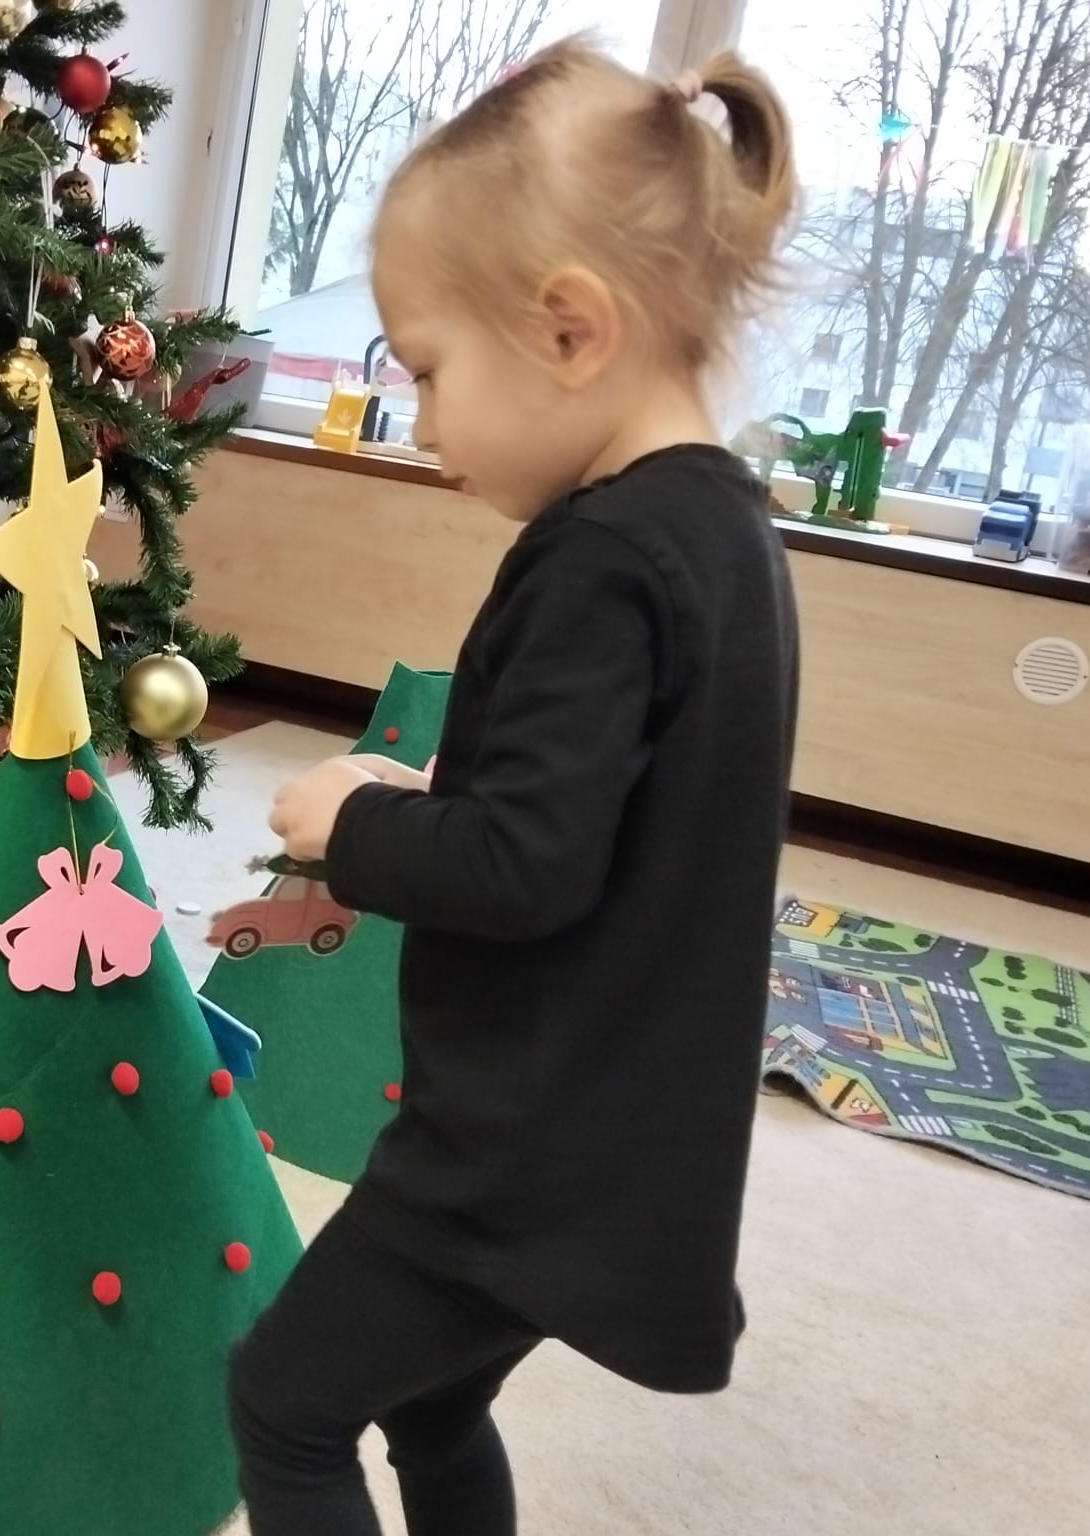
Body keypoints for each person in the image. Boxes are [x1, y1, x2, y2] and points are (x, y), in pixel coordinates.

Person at [231, 37, 802, 1536]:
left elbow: (525, 866)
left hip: (519, 1152)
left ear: (567, 328)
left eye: (427, 369)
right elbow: (618, 805)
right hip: (619, 1127)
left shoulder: (600, 556)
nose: (421, 426)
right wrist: (436, 787)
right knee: (429, 1404)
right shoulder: (720, 530)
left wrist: (354, 823)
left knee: (284, 1408)